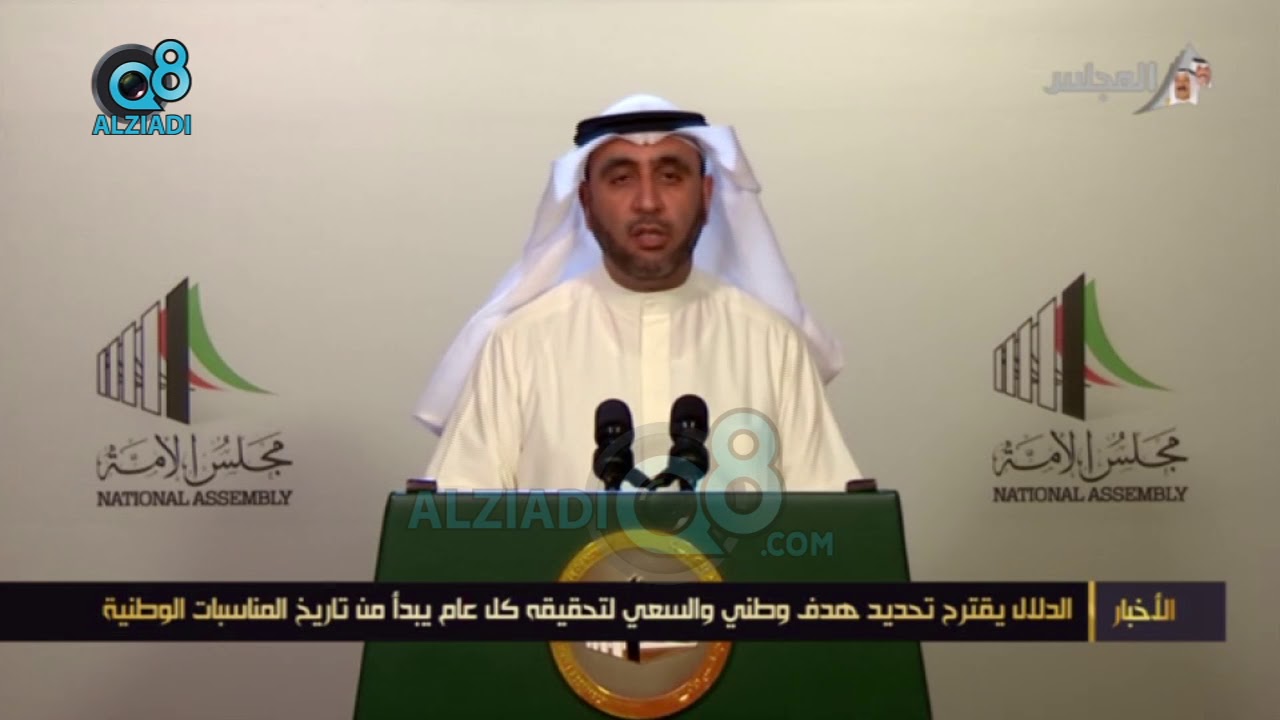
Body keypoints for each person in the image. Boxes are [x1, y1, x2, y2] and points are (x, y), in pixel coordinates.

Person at [414, 94, 864, 492]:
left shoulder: (770, 343)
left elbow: (827, 518)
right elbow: (461, 517)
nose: (648, 202)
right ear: (586, 203)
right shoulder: (520, 345)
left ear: (707, 195)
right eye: (621, 179)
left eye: (670, 176)